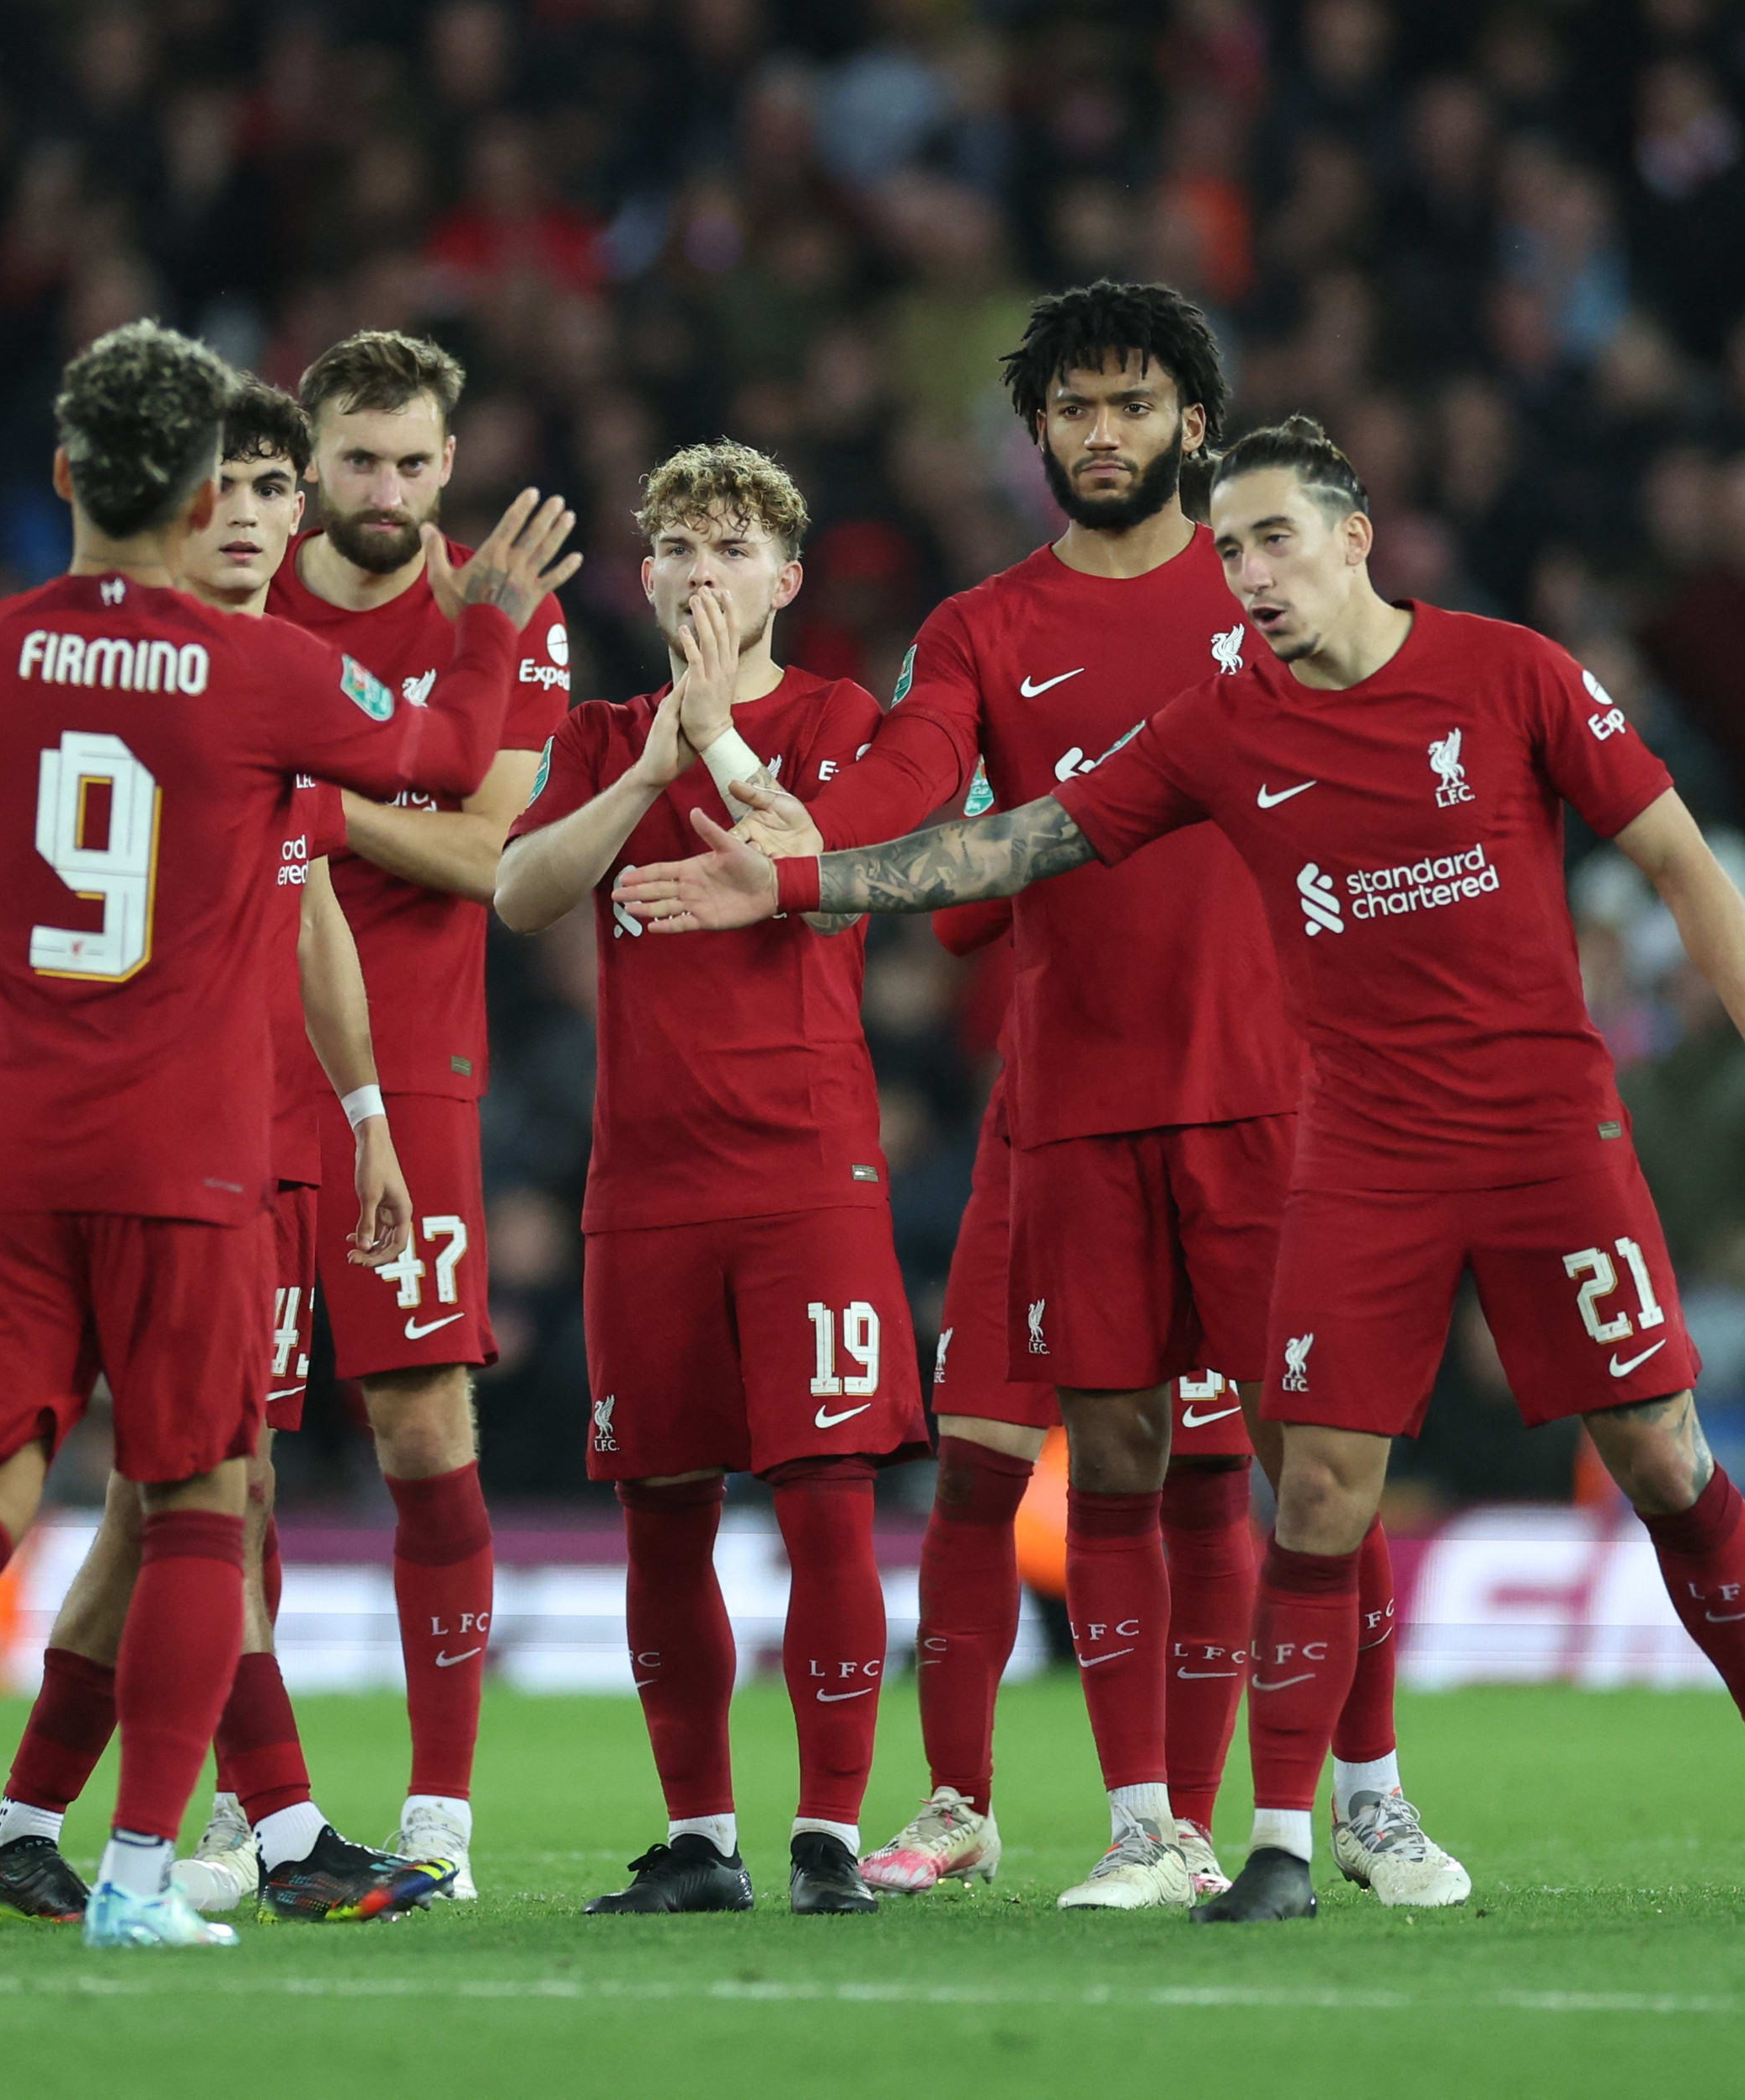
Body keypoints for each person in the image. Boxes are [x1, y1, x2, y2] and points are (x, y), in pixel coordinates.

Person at [615, 414, 1745, 1924]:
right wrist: (793, 876)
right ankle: (1289, 1844)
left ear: (1358, 536)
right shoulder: (1225, 720)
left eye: (1275, 539)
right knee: (1319, 1492)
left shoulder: (1513, 672)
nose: (1250, 576)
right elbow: (1014, 844)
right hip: (1358, 1152)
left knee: (1660, 1455)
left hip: (1550, 1132)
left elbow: (1680, 854)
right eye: (1229, 551)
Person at [0, 319, 576, 1949]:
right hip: (183, 1157)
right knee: (199, 1494)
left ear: (62, 475)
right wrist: (484, 631)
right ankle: (135, 1877)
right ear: (206, 494)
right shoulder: (258, 665)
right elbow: (433, 760)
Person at [716, 281, 1451, 1910]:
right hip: (1075, 1101)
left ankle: (1374, 1797)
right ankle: (1139, 1825)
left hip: (1278, 1095)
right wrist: (810, 843)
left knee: (1310, 1456)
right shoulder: (983, 626)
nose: (1101, 434)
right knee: (1097, 1454)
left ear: (1196, 424)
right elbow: (925, 779)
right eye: (1072, 409)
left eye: (1131, 405)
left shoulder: (1265, 588)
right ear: (1037, 432)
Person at [0, 379, 446, 1927]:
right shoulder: (172, 677)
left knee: (188, 1498)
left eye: (267, 488)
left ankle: (46, 1817)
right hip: (138, 1149)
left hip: (260, 1140)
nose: (245, 512)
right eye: (219, 485)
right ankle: (271, 1827)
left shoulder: (264, 683)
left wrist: (367, 1114)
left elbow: (312, 916)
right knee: (198, 1494)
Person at [493, 441, 925, 1918]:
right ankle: (699, 1836)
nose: (698, 571)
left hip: (807, 1164)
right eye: (675, 545)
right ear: (644, 573)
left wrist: (723, 748)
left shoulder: (843, 718)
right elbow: (520, 886)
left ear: (786, 580)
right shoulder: (604, 730)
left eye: (731, 547)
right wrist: (659, 765)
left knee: (826, 1503)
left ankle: (827, 1832)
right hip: (650, 1176)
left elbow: (816, 857)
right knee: (662, 1509)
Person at [262, 331, 577, 1895]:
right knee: (215, 1451)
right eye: (357, 459)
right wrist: (401, 817)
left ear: (450, 465)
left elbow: (503, 863)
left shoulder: (507, 614)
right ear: (309, 456)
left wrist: (313, 803)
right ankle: (257, 1810)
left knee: (421, 1425)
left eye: (411, 461)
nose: (383, 490)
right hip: (236, 1061)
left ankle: (441, 1814)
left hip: (423, 1063)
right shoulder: (241, 578)